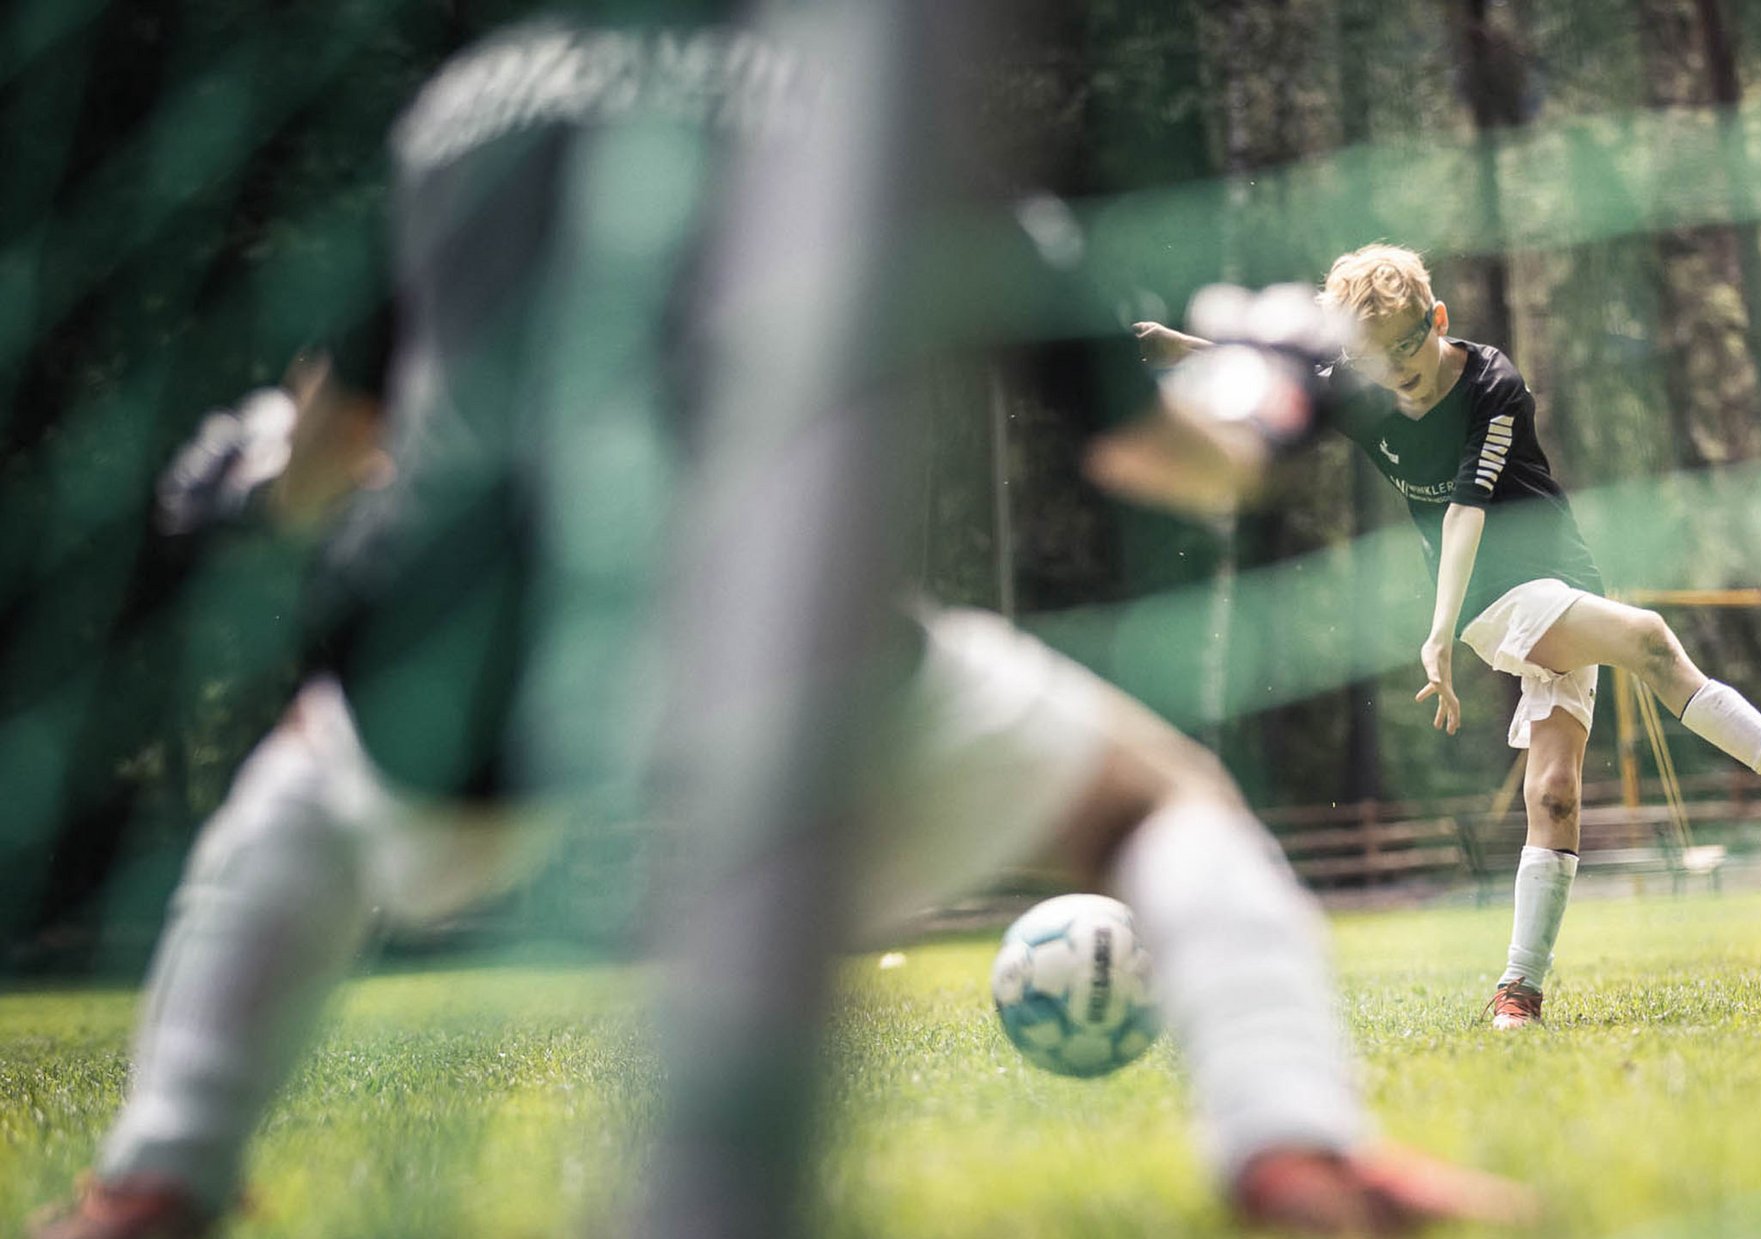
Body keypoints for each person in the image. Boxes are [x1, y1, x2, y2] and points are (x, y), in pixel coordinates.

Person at [34, 13, 1539, 1235]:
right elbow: (1166, 456)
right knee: (1158, 803)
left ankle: (156, 1177)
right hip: (787, 661)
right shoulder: (867, 114)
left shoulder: (461, 108)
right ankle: (1294, 1157)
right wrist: (1278, 374)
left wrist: (249, 476)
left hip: (466, 680)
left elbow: (322, 457)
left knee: (298, 793)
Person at [1131, 242, 1761, 1031]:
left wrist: (1434, 634)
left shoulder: (1492, 384)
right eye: (1374, 355)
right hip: (1487, 600)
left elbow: (1469, 505)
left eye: (1407, 344)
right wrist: (1178, 351)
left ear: (1435, 318)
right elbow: (1279, 371)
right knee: (1648, 639)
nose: (1396, 368)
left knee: (1554, 794)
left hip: (1560, 584)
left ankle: (1518, 993)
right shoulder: (1360, 385)